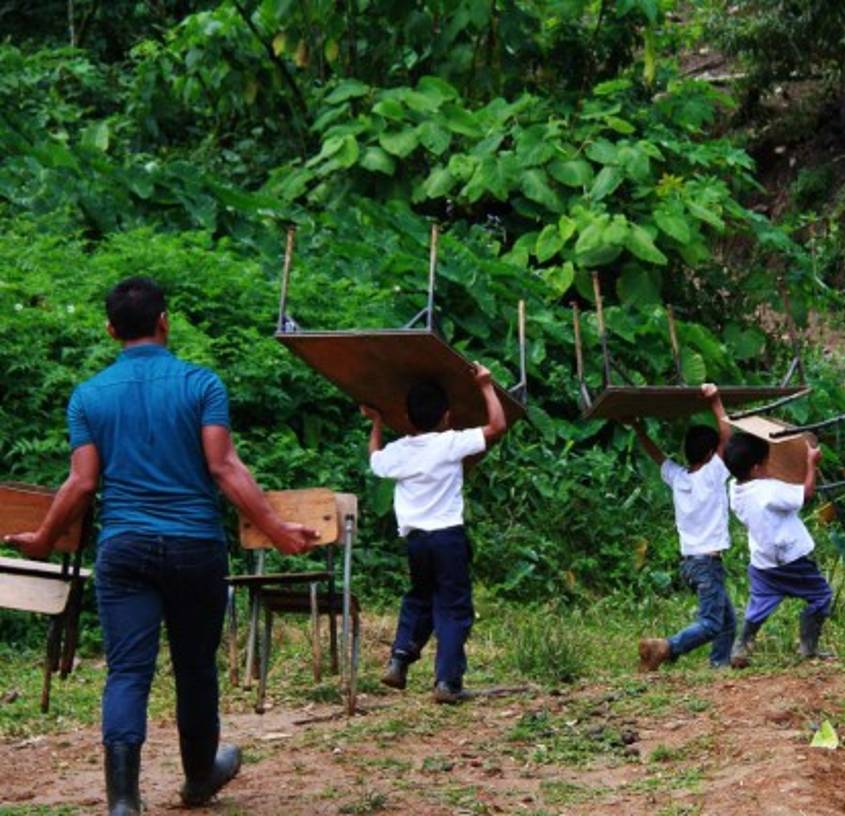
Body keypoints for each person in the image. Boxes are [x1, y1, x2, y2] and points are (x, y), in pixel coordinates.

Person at [3, 277, 318, 816]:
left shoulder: (89, 396)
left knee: (129, 671)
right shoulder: (201, 385)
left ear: (110, 330)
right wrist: (279, 530)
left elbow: (81, 484)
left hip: (124, 548)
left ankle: (124, 801)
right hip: (195, 545)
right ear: (164, 321)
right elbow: (224, 467)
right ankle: (199, 778)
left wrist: (43, 540)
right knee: (195, 665)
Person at [364, 366, 506, 703]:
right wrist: (485, 386)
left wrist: (376, 422)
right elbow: (497, 426)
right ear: (447, 416)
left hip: (416, 542)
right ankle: (446, 683)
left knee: (419, 597)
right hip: (448, 538)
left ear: (409, 418)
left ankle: (399, 658)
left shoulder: (399, 451)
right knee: (454, 608)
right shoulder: (450, 443)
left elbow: (374, 460)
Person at [631, 385, 737, 672]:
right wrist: (715, 402)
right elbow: (728, 437)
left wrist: (639, 431)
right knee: (712, 623)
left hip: (691, 563)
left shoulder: (679, 477)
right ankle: (666, 647)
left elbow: (658, 457)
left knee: (728, 620)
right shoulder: (713, 474)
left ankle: (720, 664)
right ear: (711, 453)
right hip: (707, 562)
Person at [724, 432, 832, 667]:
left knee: (760, 603)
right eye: (765, 463)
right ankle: (808, 647)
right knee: (821, 596)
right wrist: (811, 464)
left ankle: (741, 647)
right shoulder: (769, 491)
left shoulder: (734, 489)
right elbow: (806, 493)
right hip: (792, 559)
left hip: (763, 562)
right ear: (755, 469)